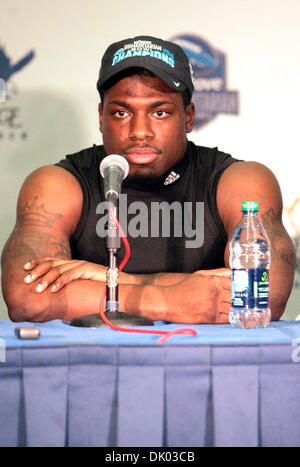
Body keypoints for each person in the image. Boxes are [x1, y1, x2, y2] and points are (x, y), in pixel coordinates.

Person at [1, 35, 295, 324]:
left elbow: (266, 295)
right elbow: (27, 297)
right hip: (94, 364)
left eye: (160, 112)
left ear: (189, 116)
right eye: (121, 112)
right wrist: (173, 300)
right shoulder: (59, 184)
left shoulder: (239, 181)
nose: (140, 131)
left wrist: (117, 281)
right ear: (101, 116)